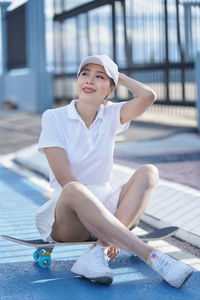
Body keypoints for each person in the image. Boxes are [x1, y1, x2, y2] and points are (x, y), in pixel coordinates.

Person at [35, 54, 193, 287]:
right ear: (77, 81)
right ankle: (151, 256)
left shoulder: (111, 114)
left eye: (99, 77)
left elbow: (148, 96)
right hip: (69, 216)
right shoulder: (54, 117)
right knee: (73, 187)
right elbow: (64, 178)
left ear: (110, 89)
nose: (89, 80)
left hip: (108, 210)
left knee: (149, 171)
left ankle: (98, 250)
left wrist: (118, 76)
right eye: (84, 74)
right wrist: (114, 228)